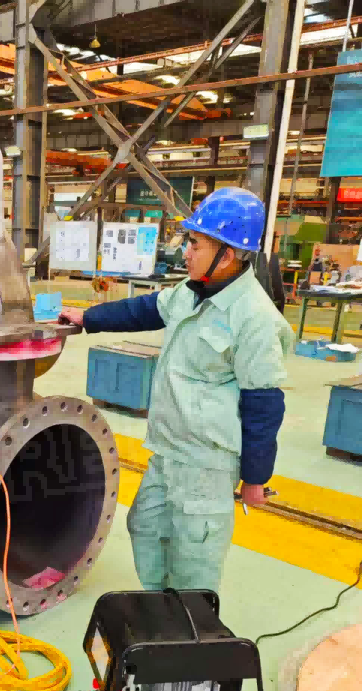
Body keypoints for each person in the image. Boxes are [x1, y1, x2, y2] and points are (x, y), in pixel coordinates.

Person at [60, 187, 293, 594]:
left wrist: (255, 478)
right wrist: (87, 318)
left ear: (228, 254)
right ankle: (163, 608)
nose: (185, 252)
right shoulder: (191, 291)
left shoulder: (255, 318)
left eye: (195, 244)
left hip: (206, 462)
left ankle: (191, 623)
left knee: (194, 560)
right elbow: (144, 310)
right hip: (168, 449)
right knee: (144, 526)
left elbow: (264, 403)